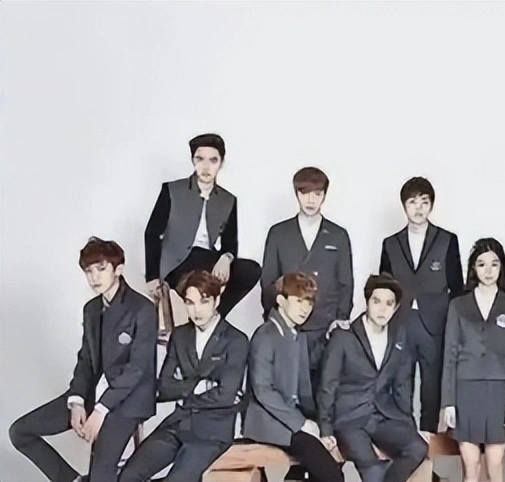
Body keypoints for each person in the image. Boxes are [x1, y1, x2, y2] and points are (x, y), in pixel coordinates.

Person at [9, 237, 157, 482]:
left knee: (101, 475)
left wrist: (100, 410)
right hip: (92, 394)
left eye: (101, 268)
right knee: (20, 432)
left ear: (118, 269)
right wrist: (77, 400)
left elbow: (137, 370)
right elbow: (86, 359)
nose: (94, 277)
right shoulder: (91, 309)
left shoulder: (143, 309)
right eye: (89, 271)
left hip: (126, 401)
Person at [119, 270, 249, 482]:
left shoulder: (236, 340)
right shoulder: (180, 335)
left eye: (203, 302)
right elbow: (164, 387)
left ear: (216, 301)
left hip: (212, 432)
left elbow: (226, 395)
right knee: (129, 475)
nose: (196, 310)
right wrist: (199, 386)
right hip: (178, 423)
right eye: (190, 303)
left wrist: (183, 391)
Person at [318, 274, 428, 482]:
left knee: (418, 447)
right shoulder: (344, 337)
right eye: (377, 301)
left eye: (389, 304)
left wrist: (409, 426)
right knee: (373, 470)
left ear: (396, 308)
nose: (382, 309)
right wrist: (325, 429)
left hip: (382, 417)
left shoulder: (399, 337)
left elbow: (402, 386)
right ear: (367, 302)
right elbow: (327, 385)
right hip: (349, 419)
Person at [378, 176, 464, 432]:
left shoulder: (447, 239)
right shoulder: (391, 243)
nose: (418, 208)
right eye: (412, 202)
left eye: (424, 202)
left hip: (435, 323)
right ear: (404, 206)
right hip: (401, 321)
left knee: (432, 386)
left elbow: (457, 287)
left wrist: (453, 326)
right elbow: (383, 287)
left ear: (431, 205)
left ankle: (428, 438)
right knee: (400, 384)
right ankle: (404, 438)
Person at [260, 166, 354, 398]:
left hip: (325, 327)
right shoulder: (279, 233)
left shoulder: (338, 235)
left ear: (324, 196)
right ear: (296, 194)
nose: (311, 200)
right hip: (289, 325)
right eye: (305, 193)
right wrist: (277, 319)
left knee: (322, 391)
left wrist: (340, 319)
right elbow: (268, 281)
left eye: (317, 193)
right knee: (286, 389)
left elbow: (345, 282)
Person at [144, 132, 261, 317]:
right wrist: (151, 276)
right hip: (176, 262)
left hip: (207, 258)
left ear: (221, 163)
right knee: (202, 282)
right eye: (200, 159)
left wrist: (226, 258)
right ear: (193, 160)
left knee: (250, 270)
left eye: (213, 160)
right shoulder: (172, 190)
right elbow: (152, 233)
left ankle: (215, 316)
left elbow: (230, 242)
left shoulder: (228, 200)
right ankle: (210, 318)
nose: (206, 167)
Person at [245, 272, 344, 482]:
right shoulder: (265, 335)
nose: (305, 308)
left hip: (291, 418)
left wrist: (320, 427)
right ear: (281, 300)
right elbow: (263, 391)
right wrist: (301, 423)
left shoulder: (296, 335)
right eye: (299, 301)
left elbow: (303, 390)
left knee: (332, 460)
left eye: (309, 302)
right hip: (268, 421)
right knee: (331, 475)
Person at [440, 238, 505, 482]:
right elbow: (449, 355)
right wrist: (448, 402)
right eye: (482, 264)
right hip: (466, 390)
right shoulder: (458, 305)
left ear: (502, 267)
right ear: (473, 269)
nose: (488, 271)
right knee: (471, 467)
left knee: (495, 467)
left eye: (494, 264)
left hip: (499, 391)